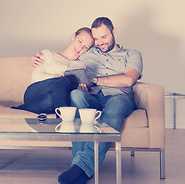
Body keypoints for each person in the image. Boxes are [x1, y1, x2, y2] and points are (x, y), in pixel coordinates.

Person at [34, 17, 143, 184]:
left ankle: (81, 167)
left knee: (116, 104)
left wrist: (95, 80)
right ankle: (78, 166)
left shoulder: (132, 54)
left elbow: (128, 80)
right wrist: (41, 58)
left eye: (104, 37)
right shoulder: (88, 53)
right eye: (96, 39)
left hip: (120, 97)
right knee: (76, 96)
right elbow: (65, 58)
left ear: (114, 32)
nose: (99, 42)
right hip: (93, 98)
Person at [0, 27, 94, 114]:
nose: (80, 47)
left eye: (85, 47)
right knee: (64, 80)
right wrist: (58, 78)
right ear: (73, 36)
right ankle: (65, 118)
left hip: (54, 101)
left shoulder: (81, 66)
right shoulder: (47, 54)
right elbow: (36, 78)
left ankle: (10, 110)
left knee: (51, 101)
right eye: (80, 41)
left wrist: (83, 92)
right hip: (36, 92)